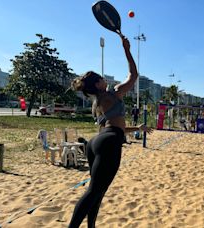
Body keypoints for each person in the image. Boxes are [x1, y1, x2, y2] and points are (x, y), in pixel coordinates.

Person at [68, 35, 152, 228]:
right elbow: (133, 76)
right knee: (93, 192)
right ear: (97, 84)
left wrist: (136, 128)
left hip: (96, 142)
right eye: (101, 78)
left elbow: (114, 127)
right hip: (109, 143)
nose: (104, 79)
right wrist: (127, 50)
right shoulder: (111, 94)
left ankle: (91, 226)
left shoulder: (97, 103)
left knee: (97, 191)